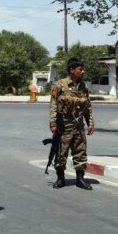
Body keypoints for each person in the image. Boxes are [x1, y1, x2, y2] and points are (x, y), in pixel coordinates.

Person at [49, 57, 95, 190]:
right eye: (80, 69)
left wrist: (90, 122)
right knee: (61, 152)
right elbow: (53, 105)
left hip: (78, 123)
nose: (83, 71)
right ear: (72, 70)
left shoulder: (83, 86)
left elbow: (87, 106)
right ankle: (60, 178)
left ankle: (80, 179)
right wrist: (53, 124)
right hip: (63, 124)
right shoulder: (59, 85)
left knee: (80, 151)